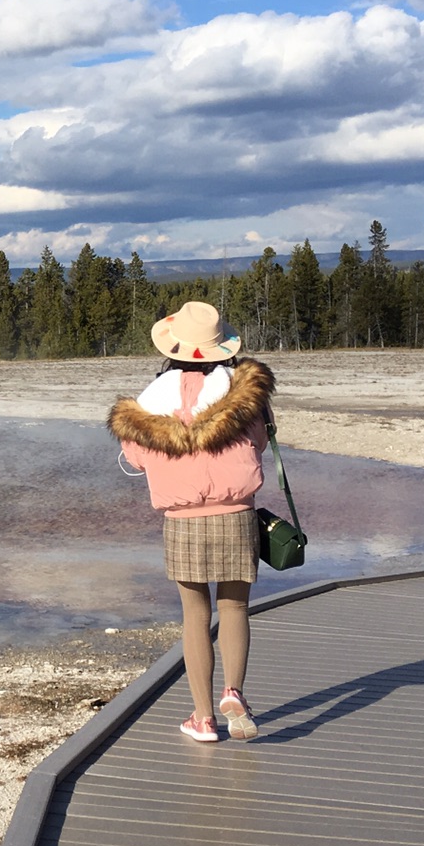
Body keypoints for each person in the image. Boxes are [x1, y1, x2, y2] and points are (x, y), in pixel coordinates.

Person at [108, 301, 275, 743]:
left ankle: (203, 719)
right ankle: (234, 692)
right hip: (236, 514)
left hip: (182, 520)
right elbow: (260, 443)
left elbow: (137, 459)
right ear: (222, 348)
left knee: (194, 616)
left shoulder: (150, 402)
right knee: (235, 607)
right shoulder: (245, 396)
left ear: (174, 347)